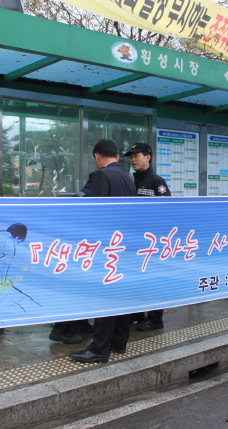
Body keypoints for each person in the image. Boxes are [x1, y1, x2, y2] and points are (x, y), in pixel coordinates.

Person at [70, 139, 136, 363]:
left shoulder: (102, 175)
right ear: (115, 156)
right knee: (121, 295)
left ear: (97, 156)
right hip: (123, 245)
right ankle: (119, 342)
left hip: (106, 247)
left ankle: (99, 349)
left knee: (104, 297)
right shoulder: (127, 178)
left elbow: (95, 212)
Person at [124, 142, 169, 331]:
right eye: (131, 157)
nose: (133, 160)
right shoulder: (130, 182)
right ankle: (137, 313)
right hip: (135, 241)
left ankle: (155, 318)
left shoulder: (156, 182)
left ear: (148, 157)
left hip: (153, 242)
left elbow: (166, 212)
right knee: (137, 278)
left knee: (154, 279)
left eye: (137, 156)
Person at [48, 172, 96, 345]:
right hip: (81, 249)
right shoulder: (94, 196)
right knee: (78, 289)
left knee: (82, 288)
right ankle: (60, 330)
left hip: (74, 247)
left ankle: (80, 323)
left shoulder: (81, 194)